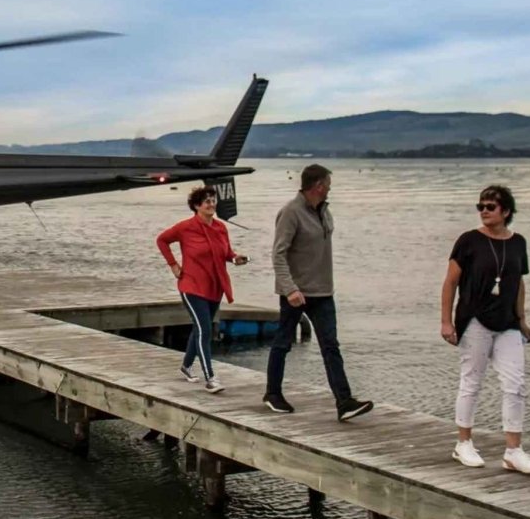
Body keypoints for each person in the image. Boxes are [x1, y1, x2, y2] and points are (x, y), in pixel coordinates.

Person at [439, 185, 530, 474]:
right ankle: (464, 443)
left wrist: (521, 319)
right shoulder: (469, 241)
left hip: (507, 322)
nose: (484, 210)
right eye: (480, 206)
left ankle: (513, 450)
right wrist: (446, 321)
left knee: (516, 383)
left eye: (490, 206)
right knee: (472, 380)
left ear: (506, 211)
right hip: (475, 320)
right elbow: (450, 283)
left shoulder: (518, 242)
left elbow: (518, 282)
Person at [265, 164, 373, 421]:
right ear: (318, 186)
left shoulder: (324, 212)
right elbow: (278, 254)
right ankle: (272, 394)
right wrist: (290, 289)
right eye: (328, 185)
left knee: (330, 346)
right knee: (283, 343)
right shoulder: (291, 213)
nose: (330, 189)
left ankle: (344, 402)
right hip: (296, 293)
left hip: (323, 292)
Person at [156, 185, 248, 394]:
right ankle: (211, 378)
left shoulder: (220, 228)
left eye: (214, 200)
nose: (212, 204)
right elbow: (161, 240)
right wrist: (173, 264)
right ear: (197, 206)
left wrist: (235, 258)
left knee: (199, 329)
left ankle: (186, 365)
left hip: (215, 288)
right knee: (205, 330)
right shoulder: (185, 227)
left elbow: (226, 253)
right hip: (192, 286)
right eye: (207, 201)